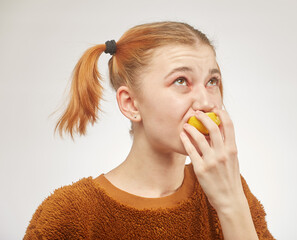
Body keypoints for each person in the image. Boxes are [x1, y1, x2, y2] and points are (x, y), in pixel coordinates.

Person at [24, 21, 275, 239]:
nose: (207, 102)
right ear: (131, 104)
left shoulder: (229, 189)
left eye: (212, 81)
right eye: (181, 81)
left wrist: (231, 205)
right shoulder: (71, 213)